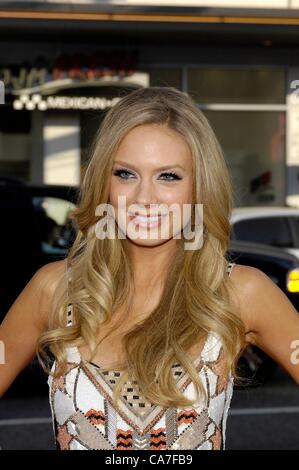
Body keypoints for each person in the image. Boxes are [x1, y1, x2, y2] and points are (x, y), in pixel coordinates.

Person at [0, 87, 298, 451]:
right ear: (104, 184)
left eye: (168, 177)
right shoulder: (55, 289)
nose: (144, 198)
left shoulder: (241, 293)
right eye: (125, 174)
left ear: (199, 186)